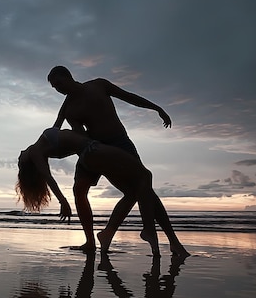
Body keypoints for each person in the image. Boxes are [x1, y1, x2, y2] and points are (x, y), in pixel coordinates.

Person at [48, 66, 187, 255]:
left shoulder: (99, 85)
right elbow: (61, 133)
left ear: (69, 77)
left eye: (60, 83)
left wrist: (156, 108)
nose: (59, 89)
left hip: (120, 143)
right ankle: (91, 241)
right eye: (55, 87)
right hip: (94, 148)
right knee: (80, 189)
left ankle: (172, 241)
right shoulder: (68, 108)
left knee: (141, 189)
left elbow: (129, 97)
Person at [16, 127, 188, 256]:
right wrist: (62, 201)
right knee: (143, 179)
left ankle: (100, 237)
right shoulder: (36, 152)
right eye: (20, 162)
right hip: (93, 150)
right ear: (28, 164)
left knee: (130, 192)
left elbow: (61, 121)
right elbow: (48, 177)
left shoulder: (41, 146)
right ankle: (142, 230)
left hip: (89, 154)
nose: (19, 156)